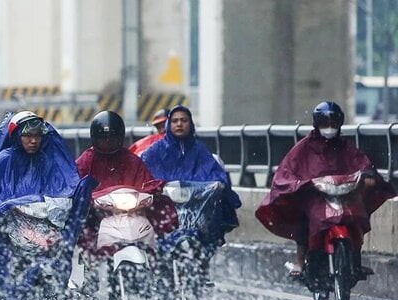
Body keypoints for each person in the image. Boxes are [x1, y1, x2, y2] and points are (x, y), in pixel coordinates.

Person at [255, 101, 396, 277]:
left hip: (344, 195)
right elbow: (287, 170)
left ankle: (355, 258)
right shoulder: (304, 147)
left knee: (356, 217)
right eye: (325, 124)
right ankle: (300, 260)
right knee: (304, 218)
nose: (329, 128)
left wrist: (368, 176)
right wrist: (299, 184)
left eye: (333, 124)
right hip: (314, 196)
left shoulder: (346, 146)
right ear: (317, 124)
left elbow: (362, 163)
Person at [0, 111, 96, 300]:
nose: (33, 141)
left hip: (46, 233)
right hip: (12, 236)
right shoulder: (2, 162)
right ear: (17, 136)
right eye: (28, 136)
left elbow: (67, 192)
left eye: (37, 136)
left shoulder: (51, 161)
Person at [76, 110, 177, 255]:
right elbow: (74, 183)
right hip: (99, 214)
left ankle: (159, 256)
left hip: (132, 212)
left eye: (113, 138)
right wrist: (87, 197)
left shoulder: (131, 159)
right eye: (103, 138)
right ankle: (90, 258)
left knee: (162, 213)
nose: (108, 142)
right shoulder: (87, 160)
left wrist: (155, 189)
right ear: (94, 138)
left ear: (120, 137)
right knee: (82, 226)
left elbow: (147, 182)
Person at [142, 104, 241, 250]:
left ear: (191, 123)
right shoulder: (156, 150)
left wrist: (218, 184)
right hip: (165, 206)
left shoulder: (200, 149)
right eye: (175, 121)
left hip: (196, 207)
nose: (179, 124)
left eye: (184, 120)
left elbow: (214, 172)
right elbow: (144, 171)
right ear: (170, 124)